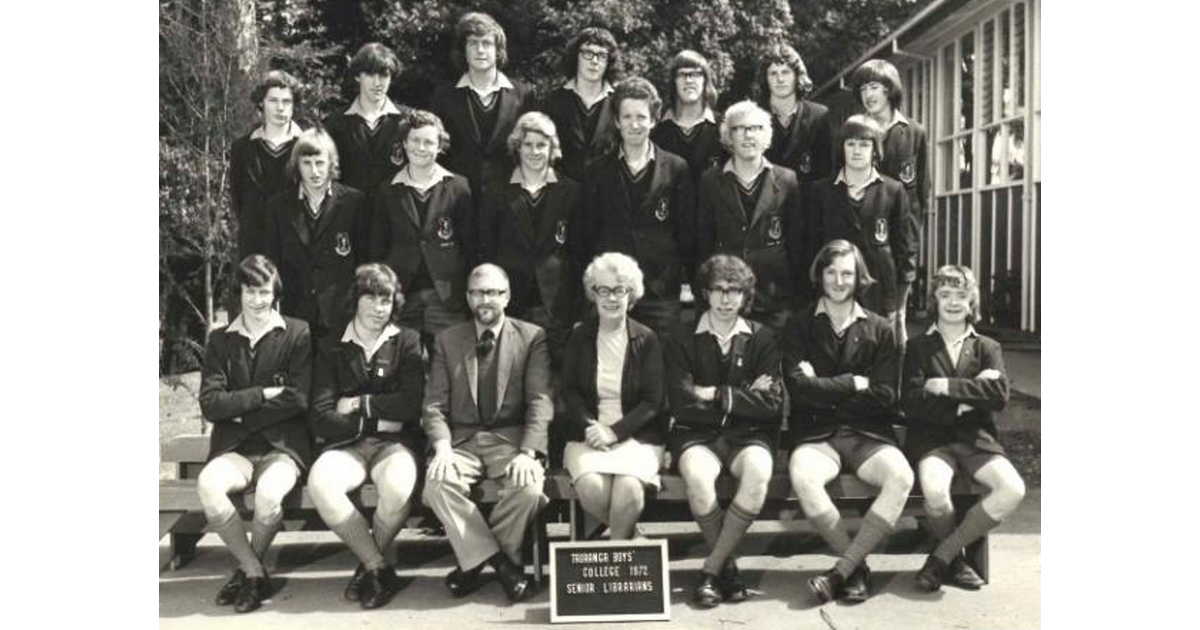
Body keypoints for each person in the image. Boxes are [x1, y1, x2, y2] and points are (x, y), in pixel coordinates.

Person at [782, 239, 913, 604]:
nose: (839, 281)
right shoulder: (799, 325)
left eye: (847, 273)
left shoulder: (881, 328)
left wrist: (822, 388)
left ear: (859, 278)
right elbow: (798, 388)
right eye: (831, 273)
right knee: (804, 478)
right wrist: (854, 383)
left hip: (867, 433)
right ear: (819, 276)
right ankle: (857, 569)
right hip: (816, 435)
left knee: (900, 476)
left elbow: (887, 394)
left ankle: (844, 569)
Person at [420, 264, 553, 603]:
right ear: (467, 297)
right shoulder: (448, 340)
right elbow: (434, 405)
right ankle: (503, 565)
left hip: (510, 441)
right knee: (437, 486)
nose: (486, 299)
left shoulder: (531, 337)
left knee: (529, 487)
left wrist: (528, 453)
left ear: (507, 297)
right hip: (462, 442)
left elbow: (540, 400)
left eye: (493, 292)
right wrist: (443, 448)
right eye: (478, 292)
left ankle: (473, 564)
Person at [664, 254, 784, 607]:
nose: (726, 299)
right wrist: (745, 397)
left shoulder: (762, 338)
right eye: (718, 290)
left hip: (749, 437)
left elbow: (773, 405)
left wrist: (715, 393)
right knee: (698, 479)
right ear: (705, 293)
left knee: (759, 472)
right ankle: (727, 570)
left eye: (734, 291)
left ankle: (711, 569)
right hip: (696, 436)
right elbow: (682, 403)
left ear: (745, 295)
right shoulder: (682, 336)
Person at [196, 255, 312, 613]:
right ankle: (254, 572)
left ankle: (248, 571)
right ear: (240, 293)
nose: (258, 300)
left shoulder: (297, 332)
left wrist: (240, 412)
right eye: (250, 291)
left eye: (265, 292)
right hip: (235, 449)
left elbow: (298, 398)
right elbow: (211, 404)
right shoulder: (220, 340)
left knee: (267, 497)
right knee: (208, 486)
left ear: (275, 294)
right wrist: (261, 394)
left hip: (282, 449)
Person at [307, 263, 426, 609]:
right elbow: (321, 415)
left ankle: (367, 567)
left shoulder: (407, 341)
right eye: (370, 297)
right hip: (346, 446)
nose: (378, 307)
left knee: (398, 489)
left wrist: (360, 403)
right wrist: (377, 423)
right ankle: (377, 567)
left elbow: (409, 405)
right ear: (355, 299)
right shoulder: (331, 346)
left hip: (395, 446)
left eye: (386, 300)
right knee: (322, 484)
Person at [902, 265, 1024, 592]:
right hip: (932, 440)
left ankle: (942, 555)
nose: (953, 302)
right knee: (936, 493)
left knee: (1012, 489)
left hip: (976, 439)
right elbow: (911, 402)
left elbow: (999, 396)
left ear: (972, 301)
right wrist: (969, 395)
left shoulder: (987, 347)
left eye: (961, 295)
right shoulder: (918, 347)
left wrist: (944, 386)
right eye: (945, 295)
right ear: (934, 300)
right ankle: (954, 562)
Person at [561, 253, 667, 540]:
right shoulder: (579, 336)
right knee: (592, 488)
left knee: (629, 489)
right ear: (592, 294)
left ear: (631, 295)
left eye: (619, 290)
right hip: (588, 434)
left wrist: (614, 432)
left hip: (637, 434)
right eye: (603, 290)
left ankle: (617, 555)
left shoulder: (647, 339)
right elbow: (569, 390)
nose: (611, 298)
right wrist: (591, 427)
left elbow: (652, 401)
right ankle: (632, 541)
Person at [580, 77, 696, 336]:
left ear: (653, 120)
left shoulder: (676, 168)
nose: (635, 124)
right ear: (617, 121)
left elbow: (686, 233)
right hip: (612, 289)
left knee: (659, 366)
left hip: (660, 291)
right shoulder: (597, 171)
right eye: (627, 117)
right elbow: (587, 233)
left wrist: (673, 277)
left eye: (641, 117)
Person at [370, 110, 474, 352]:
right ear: (404, 144)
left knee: (452, 360)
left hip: (446, 296)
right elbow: (377, 247)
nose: (421, 147)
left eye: (429, 141)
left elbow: (469, 245)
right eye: (415, 140)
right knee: (398, 363)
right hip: (401, 293)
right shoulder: (387, 190)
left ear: (440, 146)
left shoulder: (458, 187)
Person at [483, 112, 580, 368]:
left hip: (557, 304)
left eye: (541, 145)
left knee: (558, 379)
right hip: (513, 302)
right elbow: (486, 250)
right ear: (517, 147)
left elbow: (580, 252)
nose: (534, 151)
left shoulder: (571, 191)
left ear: (552, 148)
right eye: (528, 144)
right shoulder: (497, 191)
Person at [697, 100, 804, 330]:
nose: (748, 135)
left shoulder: (787, 180)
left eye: (755, 128)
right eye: (739, 129)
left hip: (775, 298)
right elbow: (702, 243)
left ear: (766, 137)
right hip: (726, 299)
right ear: (728, 137)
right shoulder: (710, 181)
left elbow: (796, 244)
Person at [804, 115, 917, 330]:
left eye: (864, 145)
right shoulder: (820, 191)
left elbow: (903, 248)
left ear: (875, 150)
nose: (857, 151)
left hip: (879, 292)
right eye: (851, 144)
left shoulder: (893, 190)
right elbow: (811, 246)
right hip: (833, 290)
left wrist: (897, 301)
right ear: (842, 148)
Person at [264, 128, 367, 340]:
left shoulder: (354, 203)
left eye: (320, 163)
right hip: (296, 316)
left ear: (331, 163)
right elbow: (271, 264)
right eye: (307, 163)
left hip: (342, 318)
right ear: (296, 166)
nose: (314, 171)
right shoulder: (279, 207)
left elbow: (364, 263)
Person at [431, 11, 534, 213]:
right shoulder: (444, 95)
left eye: (486, 43)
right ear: (464, 50)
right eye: (473, 43)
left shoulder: (524, 95)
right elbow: (437, 153)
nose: (480, 50)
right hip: (458, 202)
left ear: (497, 50)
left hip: (510, 203)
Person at [323, 42, 411, 219]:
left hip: (396, 220)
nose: (377, 82)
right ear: (357, 76)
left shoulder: (408, 120)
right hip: (350, 218)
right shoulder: (335, 123)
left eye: (384, 75)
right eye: (370, 74)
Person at [229, 70, 304, 262]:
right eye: (273, 101)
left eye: (286, 102)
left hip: (295, 249)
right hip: (254, 248)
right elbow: (239, 199)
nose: (280, 108)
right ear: (261, 103)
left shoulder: (307, 147)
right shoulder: (242, 149)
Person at [541, 27, 620, 182]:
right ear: (575, 57)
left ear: (609, 62)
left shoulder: (619, 103)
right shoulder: (553, 101)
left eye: (602, 55)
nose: (595, 61)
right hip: (562, 197)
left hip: (608, 197)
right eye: (588, 53)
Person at [755, 42, 833, 183]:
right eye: (773, 73)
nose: (780, 79)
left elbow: (825, 173)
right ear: (765, 79)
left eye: (786, 72)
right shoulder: (753, 116)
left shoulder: (819, 116)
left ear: (797, 76)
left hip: (807, 201)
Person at [651, 50, 725, 186]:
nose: (689, 80)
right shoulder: (656, 130)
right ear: (673, 82)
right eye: (682, 74)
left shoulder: (724, 128)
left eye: (695, 74)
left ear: (705, 80)